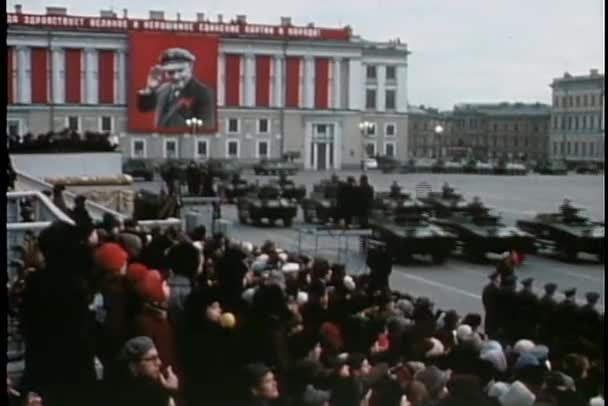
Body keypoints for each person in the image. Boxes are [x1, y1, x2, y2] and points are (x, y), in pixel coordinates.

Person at [137, 48, 216, 129]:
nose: (176, 77)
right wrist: (150, 88)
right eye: (170, 72)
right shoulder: (163, 89)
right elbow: (144, 108)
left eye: (180, 71)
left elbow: (206, 126)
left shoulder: (204, 93)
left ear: (191, 67)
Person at [106, 336, 179, 406]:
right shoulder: (127, 396)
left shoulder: (153, 388)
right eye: (152, 358)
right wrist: (169, 392)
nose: (159, 362)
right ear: (133, 366)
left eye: (158, 357)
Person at [481, 271, 501, 337]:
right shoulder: (494, 289)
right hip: (493, 312)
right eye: (499, 277)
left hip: (489, 311)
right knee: (492, 330)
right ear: (495, 279)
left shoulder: (487, 287)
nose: (500, 279)